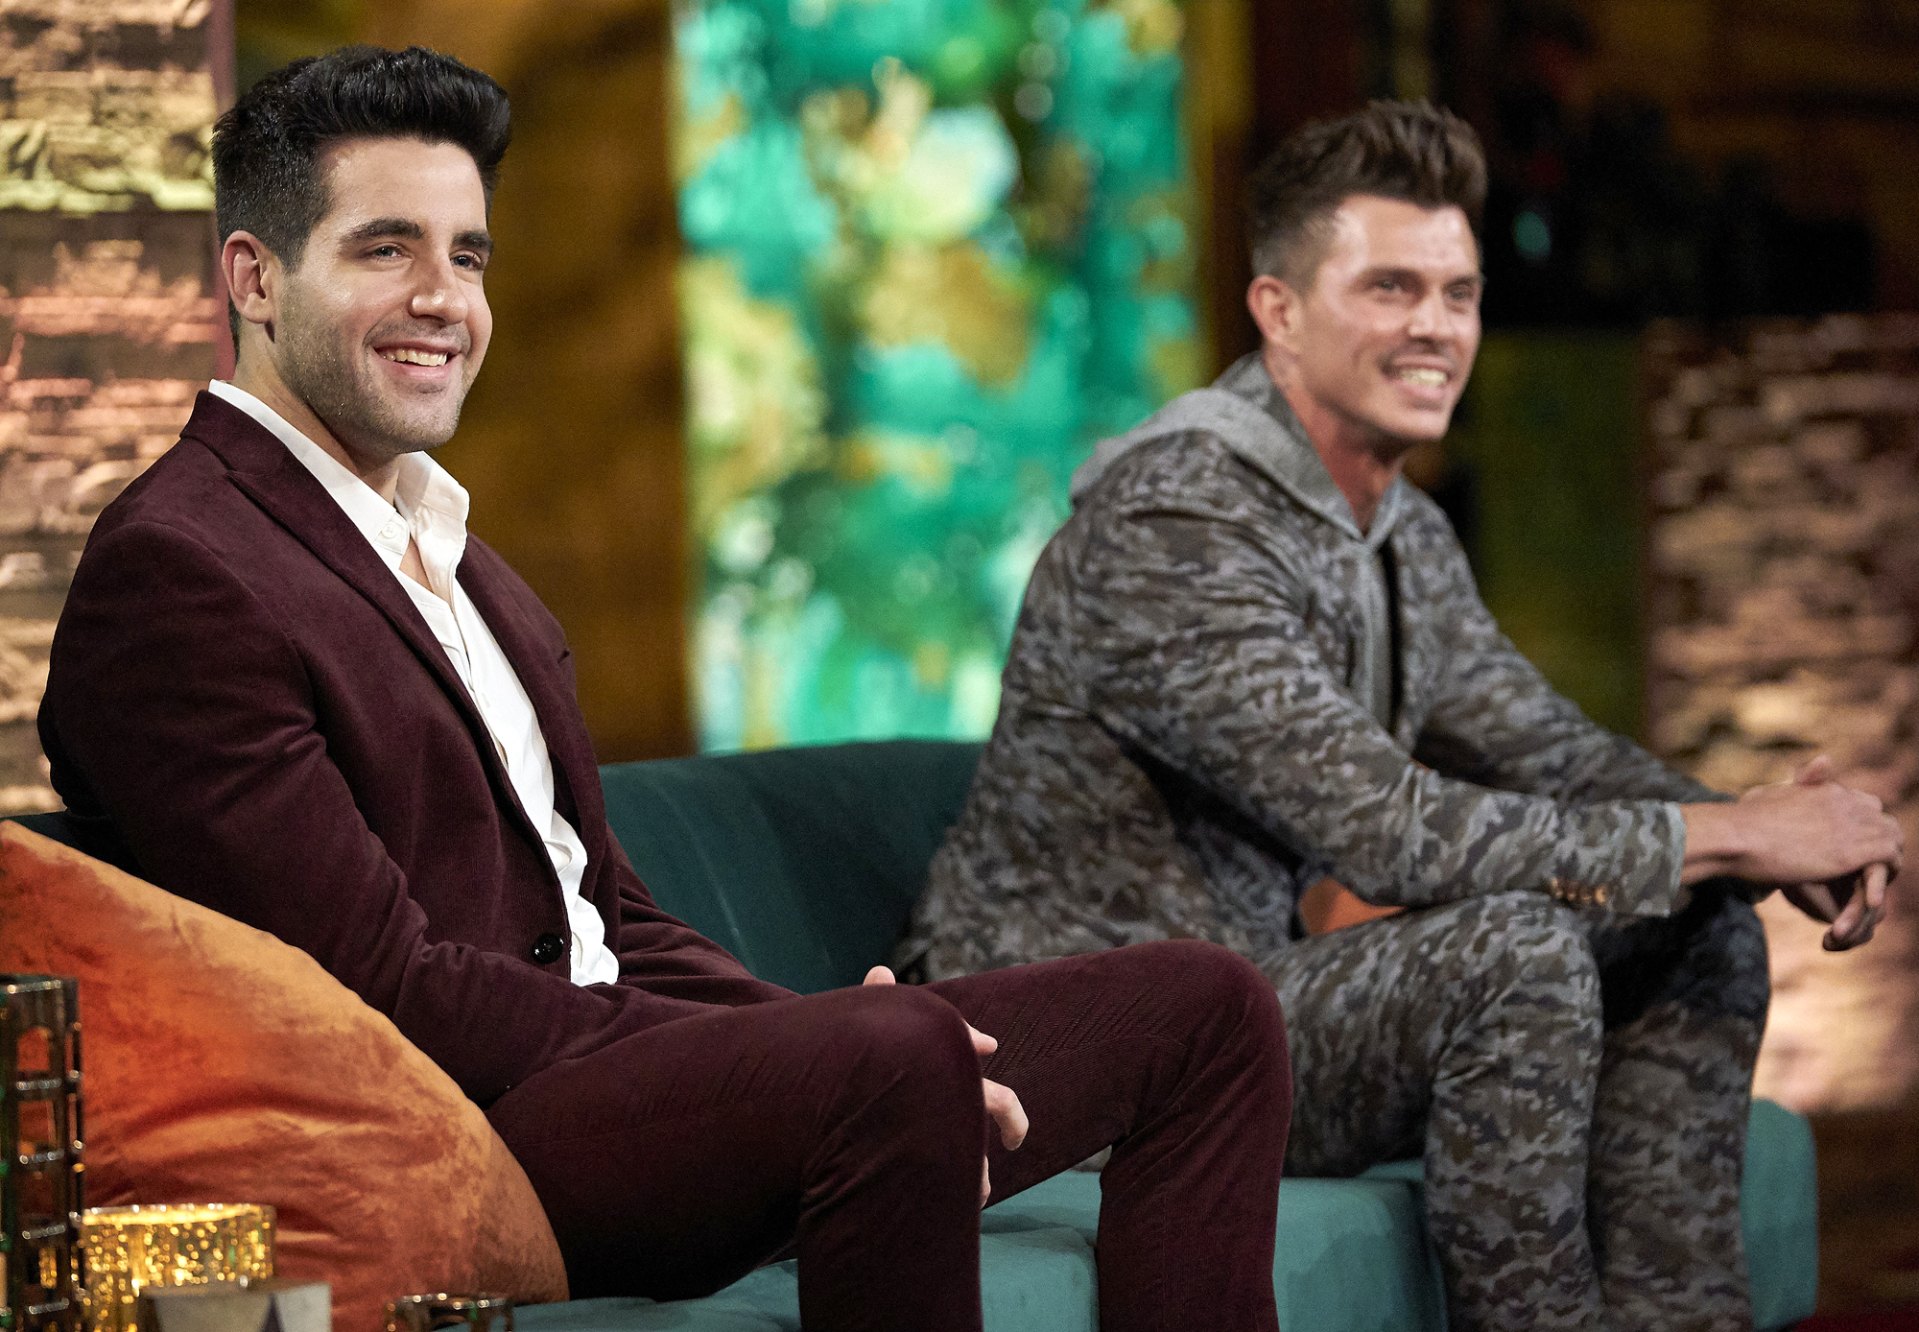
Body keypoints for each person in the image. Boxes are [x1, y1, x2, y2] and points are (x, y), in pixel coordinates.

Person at [37, 46, 1291, 1332]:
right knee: (892, 1053)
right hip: (470, 1130)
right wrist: (815, 1059)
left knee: (1205, 1011)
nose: (443, 299)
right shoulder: (180, 571)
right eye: (385, 249)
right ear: (253, 277)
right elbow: (377, 987)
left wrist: (804, 1035)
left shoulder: (459, 563)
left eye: (467, 256)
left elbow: (610, 917)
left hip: (628, 1089)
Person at [898, 101, 1903, 1332]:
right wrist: (1739, 836)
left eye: (1457, 293)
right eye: (1389, 287)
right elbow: (1388, 832)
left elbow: (1551, 750)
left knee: (1698, 928)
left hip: (1242, 1013)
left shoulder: (1397, 533)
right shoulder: (1174, 523)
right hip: (1073, 1058)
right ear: (1277, 311)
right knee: (1513, 953)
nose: (1435, 325)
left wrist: (1767, 832)